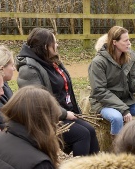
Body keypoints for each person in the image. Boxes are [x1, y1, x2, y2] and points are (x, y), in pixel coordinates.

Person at [17, 27, 99, 156]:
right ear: (45, 47)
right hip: (45, 120)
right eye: (54, 42)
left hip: (62, 114)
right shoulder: (28, 69)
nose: (57, 45)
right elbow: (38, 103)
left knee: (90, 130)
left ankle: (96, 167)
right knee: (82, 134)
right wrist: (64, 114)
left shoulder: (51, 60)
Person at [88, 25, 135, 136]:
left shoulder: (130, 57)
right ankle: (118, 146)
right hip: (104, 103)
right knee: (117, 118)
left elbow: (132, 85)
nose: (129, 43)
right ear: (114, 42)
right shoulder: (98, 62)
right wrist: (123, 110)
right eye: (125, 41)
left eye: (129, 40)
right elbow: (99, 91)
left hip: (126, 100)